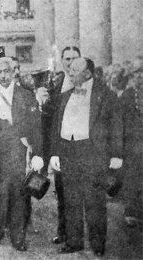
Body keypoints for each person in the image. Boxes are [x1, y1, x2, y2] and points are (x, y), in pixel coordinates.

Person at [49, 57, 123, 256]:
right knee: (71, 199)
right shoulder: (64, 96)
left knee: (94, 201)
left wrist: (116, 154)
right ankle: (74, 242)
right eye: (70, 69)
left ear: (88, 73)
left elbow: (116, 126)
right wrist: (55, 153)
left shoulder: (106, 96)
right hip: (68, 152)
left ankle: (98, 244)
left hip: (93, 153)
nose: (70, 72)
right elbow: (57, 127)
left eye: (74, 69)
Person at [0, 57, 43, 252]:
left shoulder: (26, 95)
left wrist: (37, 153)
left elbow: (36, 127)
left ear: (14, 71)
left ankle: (18, 236)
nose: (3, 76)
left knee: (19, 195)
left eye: (6, 71)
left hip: (18, 152)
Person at [35, 46, 81, 245]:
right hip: (61, 147)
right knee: (62, 192)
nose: (70, 63)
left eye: (74, 59)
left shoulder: (88, 81)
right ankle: (64, 232)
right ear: (62, 61)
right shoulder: (57, 82)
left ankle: (76, 236)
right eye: (67, 59)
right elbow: (49, 119)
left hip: (82, 146)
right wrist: (43, 103)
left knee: (79, 194)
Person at [120, 60, 143, 227]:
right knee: (132, 177)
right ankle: (131, 211)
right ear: (132, 76)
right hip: (132, 144)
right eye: (137, 73)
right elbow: (119, 122)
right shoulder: (127, 96)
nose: (140, 76)